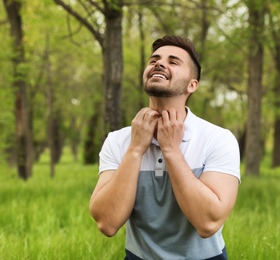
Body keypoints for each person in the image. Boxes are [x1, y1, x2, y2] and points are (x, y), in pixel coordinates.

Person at [89, 35, 241, 259]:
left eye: (173, 61)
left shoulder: (218, 139)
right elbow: (107, 223)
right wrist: (135, 149)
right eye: (154, 60)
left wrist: (170, 150)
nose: (159, 64)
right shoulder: (117, 140)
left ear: (192, 84)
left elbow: (208, 223)